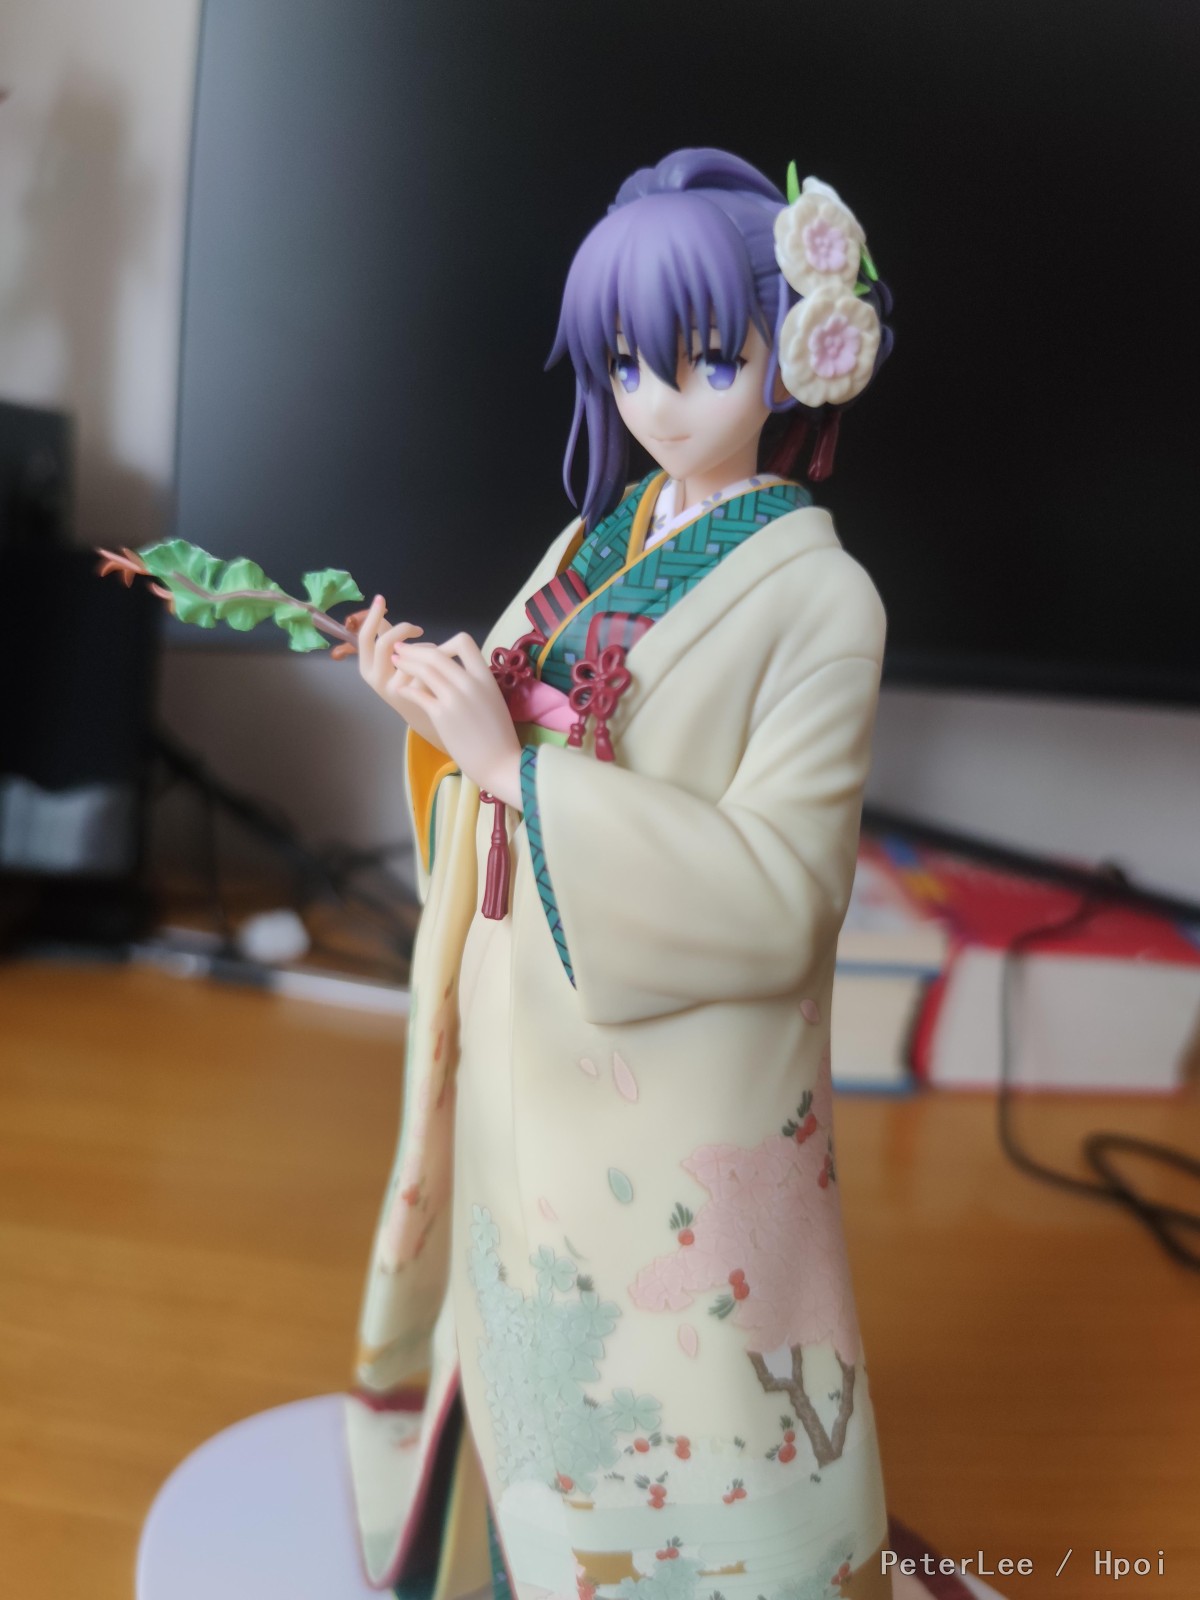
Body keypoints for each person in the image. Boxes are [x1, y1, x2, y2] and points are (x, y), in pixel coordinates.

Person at [346, 147, 897, 1600]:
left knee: (684, 1381)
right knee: (524, 1335)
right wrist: (438, 711)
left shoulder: (825, 601)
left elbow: (785, 891)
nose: (660, 399)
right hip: (532, 1029)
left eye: (708, 358)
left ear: (794, 357)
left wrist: (515, 772)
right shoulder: (599, 538)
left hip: (670, 1086)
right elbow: (505, 723)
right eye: (628, 363)